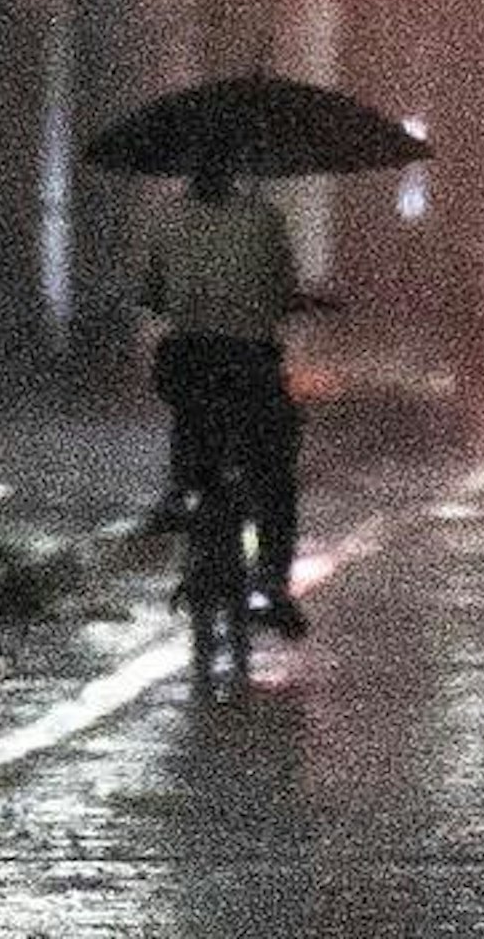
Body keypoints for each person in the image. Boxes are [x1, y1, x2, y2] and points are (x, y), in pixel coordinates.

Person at [136, 155, 307, 636]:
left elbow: (151, 294)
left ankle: (177, 492)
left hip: (186, 360)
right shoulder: (264, 219)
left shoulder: (167, 218)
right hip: (250, 362)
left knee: (190, 412)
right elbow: (285, 290)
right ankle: (273, 583)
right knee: (274, 475)